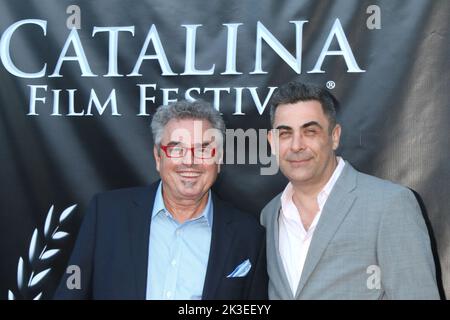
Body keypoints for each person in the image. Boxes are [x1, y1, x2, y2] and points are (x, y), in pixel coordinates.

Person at [54, 100, 267, 300]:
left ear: (218, 159)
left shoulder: (248, 235)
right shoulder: (106, 214)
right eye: (176, 148)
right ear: (158, 157)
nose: (189, 161)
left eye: (203, 149)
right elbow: (73, 287)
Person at [260, 81, 440, 299]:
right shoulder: (269, 216)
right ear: (272, 141)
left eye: (310, 131)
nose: (297, 145)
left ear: (334, 136)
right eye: (285, 134)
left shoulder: (389, 205)